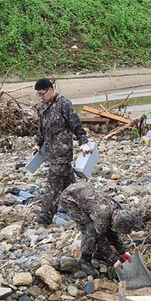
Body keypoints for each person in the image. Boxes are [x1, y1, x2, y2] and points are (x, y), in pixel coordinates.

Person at [32, 78, 93, 226]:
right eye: (38, 95)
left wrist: (83, 143)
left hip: (63, 151)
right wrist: (37, 144)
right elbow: (42, 129)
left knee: (52, 184)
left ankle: (45, 215)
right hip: (50, 153)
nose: (41, 97)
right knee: (70, 185)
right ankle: (84, 208)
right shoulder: (42, 108)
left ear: (51, 90)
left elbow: (76, 125)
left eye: (42, 94)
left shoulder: (64, 104)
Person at [59, 182, 142, 278]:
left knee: (104, 229)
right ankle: (85, 260)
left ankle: (98, 254)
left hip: (83, 193)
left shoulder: (118, 210)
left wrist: (123, 252)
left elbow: (112, 233)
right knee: (90, 228)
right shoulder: (102, 216)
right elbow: (101, 239)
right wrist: (113, 260)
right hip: (69, 199)